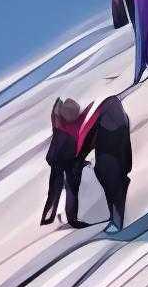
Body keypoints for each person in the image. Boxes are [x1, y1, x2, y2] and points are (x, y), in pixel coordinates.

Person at [83, 93, 135, 231]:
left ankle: (116, 222)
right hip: (115, 165)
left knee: (113, 195)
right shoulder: (122, 121)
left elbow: (90, 143)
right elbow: (126, 147)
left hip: (109, 165)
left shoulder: (103, 122)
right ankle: (116, 221)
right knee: (116, 195)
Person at [41, 97, 89, 228]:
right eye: (71, 113)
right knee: (56, 190)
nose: (75, 115)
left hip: (68, 161)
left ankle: (69, 219)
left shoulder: (71, 124)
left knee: (70, 189)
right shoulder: (61, 126)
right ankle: (48, 219)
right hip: (59, 161)